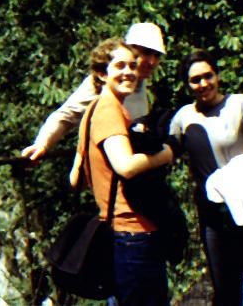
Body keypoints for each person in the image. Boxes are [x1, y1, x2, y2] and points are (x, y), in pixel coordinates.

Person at [169, 50, 243, 306]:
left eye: (207, 76)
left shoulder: (241, 105)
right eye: (195, 80)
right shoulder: (183, 118)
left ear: (217, 76)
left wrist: (242, 167)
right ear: (187, 85)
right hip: (214, 214)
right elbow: (168, 153)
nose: (203, 84)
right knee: (224, 286)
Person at [70, 38, 174, 306]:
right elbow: (126, 166)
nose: (129, 71)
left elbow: (75, 178)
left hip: (116, 230)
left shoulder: (92, 111)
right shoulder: (109, 111)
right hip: (134, 233)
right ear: (102, 74)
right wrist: (165, 154)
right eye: (119, 66)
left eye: (132, 65)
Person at [21, 22, 166, 160]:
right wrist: (42, 144)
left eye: (157, 55)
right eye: (147, 53)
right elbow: (66, 116)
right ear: (131, 50)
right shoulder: (103, 82)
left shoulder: (139, 84)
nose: (152, 61)